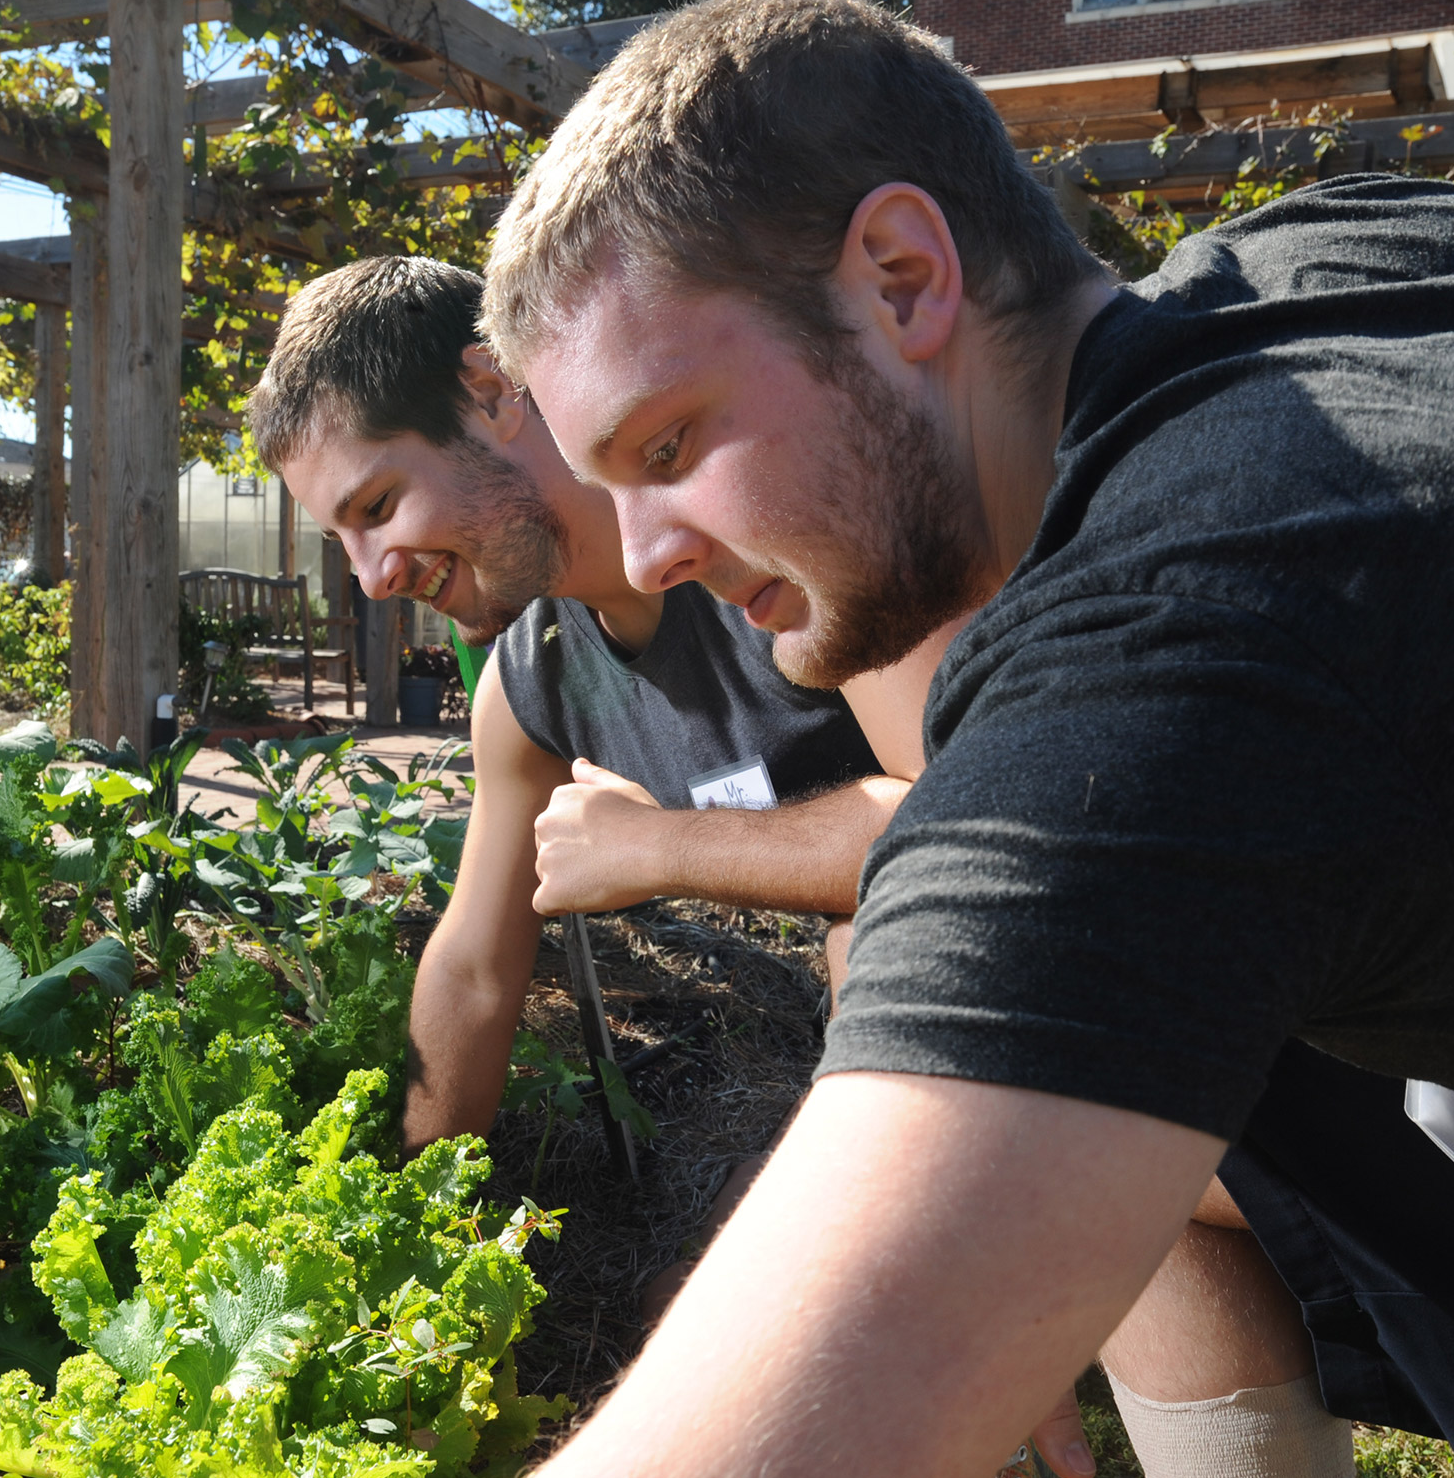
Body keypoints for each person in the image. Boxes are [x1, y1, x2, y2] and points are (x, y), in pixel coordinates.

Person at [429, 0, 1454, 1478]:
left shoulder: (1183, 643)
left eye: (669, 445)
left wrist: (923, 1301)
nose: (647, 549)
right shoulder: (1352, 255)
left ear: (903, 278)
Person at [242, 255, 943, 1153]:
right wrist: (411, 1215)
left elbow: (964, 826)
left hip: (1093, 961)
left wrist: (653, 846)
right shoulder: (528, 683)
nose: (373, 578)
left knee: (878, 939)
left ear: (491, 391)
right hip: (934, 1071)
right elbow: (474, 973)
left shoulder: (764, 534)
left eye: (378, 505)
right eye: (341, 540)